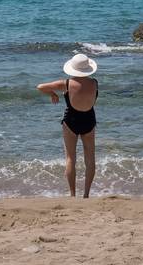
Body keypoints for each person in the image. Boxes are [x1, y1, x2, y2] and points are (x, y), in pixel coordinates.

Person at [37, 54, 99, 198]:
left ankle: (72, 195)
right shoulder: (95, 83)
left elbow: (40, 87)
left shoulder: (66, 84)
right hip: (89, 120)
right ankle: (86, 195)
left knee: (70, 158)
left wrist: (53, 94)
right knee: (90, 159)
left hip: (71, 121)